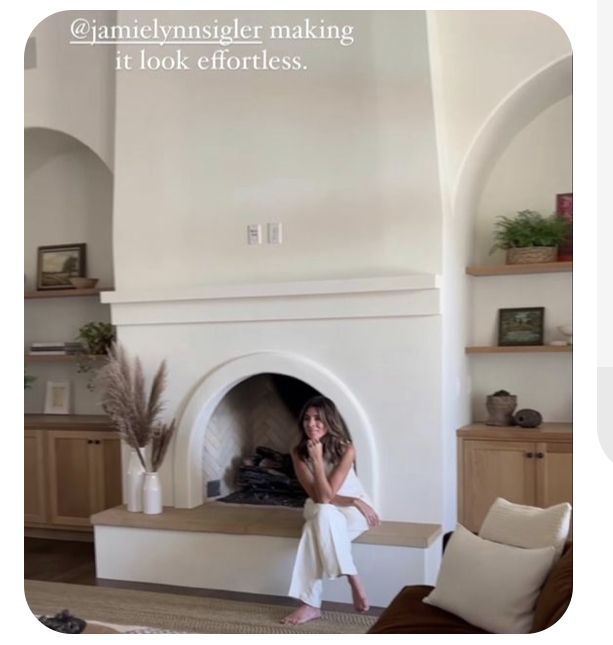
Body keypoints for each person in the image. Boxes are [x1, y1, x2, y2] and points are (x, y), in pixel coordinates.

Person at [281, 395, 380, 626]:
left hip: (355, 512)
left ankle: (311, 604)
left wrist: (356, 502)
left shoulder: (346, 449)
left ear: (329, 421)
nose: (311, 424)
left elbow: (326, 494)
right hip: (325, 506)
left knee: (312, 529)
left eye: (318, 418)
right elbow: (320, 497)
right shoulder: (298, 452)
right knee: (323, 513)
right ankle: (353, 578)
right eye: (307, 418)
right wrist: (314, 459)